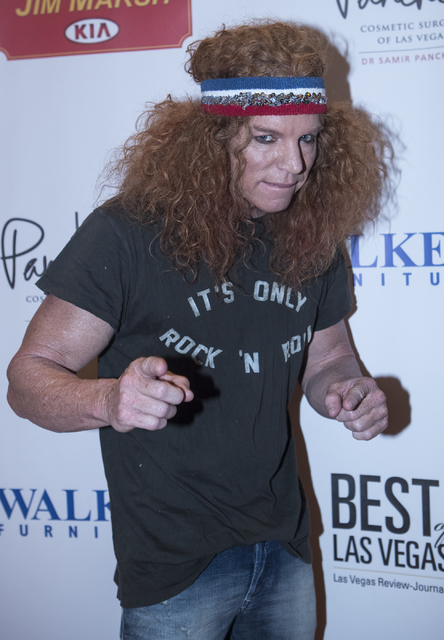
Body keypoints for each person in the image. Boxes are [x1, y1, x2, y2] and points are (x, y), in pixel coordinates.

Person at [7, 21, 388, 640]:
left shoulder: (311, 233)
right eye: (266, 138)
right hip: (176, 567)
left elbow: (329, 360)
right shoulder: (128, 233)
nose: (293, 165)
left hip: (284, 545)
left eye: (309, 140)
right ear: (214, 138)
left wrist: (347, 389)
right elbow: (27, 380)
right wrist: (107, 399)